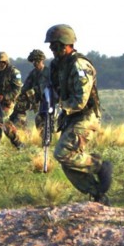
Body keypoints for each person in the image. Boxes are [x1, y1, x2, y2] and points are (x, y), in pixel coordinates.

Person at [45, 24, 112, 204]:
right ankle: (97, 195)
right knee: (67, 162)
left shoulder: (79, 65)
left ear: (66, 44)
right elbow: (53, 88)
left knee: (62, 153)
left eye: (55, 45)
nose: (52, 49)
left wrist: (60, 107)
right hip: (71, 117)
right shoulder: (57, 66)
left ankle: (100, 166)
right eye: (51, 45)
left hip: (85, 116)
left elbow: (80, 100)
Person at [10, 49, 50, 138]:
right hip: (35, 99)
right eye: (34, 61)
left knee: (41, 120)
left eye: (37, 61)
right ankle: (24, 130)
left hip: (48, 100)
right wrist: (18, 95)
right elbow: (25, 87)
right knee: (18, 107)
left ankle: (46, 139)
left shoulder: (49, 72)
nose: (35, 63)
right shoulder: (33, 73)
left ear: (42, 60)